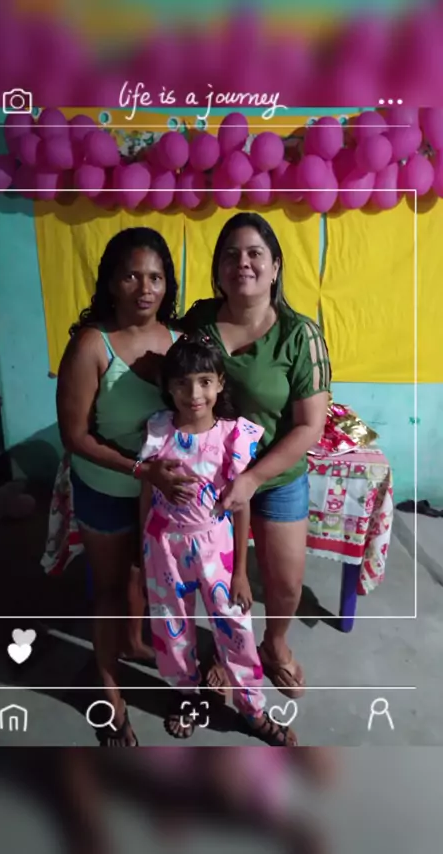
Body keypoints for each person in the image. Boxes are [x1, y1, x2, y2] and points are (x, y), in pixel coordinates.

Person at [56, 227, 198, 747]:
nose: (145, 288)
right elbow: (75, 436)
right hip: (108, 490)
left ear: (167, 285)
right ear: (112, 282)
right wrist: (140, 471)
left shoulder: (180, 343)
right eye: (132, 276)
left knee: (156, 582)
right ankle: (109, 689)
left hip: (163, 496)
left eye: (156, 277)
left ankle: (140, 648)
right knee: (111, 588)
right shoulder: (91, 345)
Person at [181, 211, 331, 699]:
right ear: (218, 268)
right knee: (218, 578)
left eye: (254, 253)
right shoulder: (198, 324)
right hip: (209, 479)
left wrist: (252, 478)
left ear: (275, 266)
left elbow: (310, 425)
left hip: (275, 479)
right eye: (230, 254)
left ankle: (274, 644)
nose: (241, 263)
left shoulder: (300, 335)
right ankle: (229, 650)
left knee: (284, 583)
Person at [138, 334, 298, 746]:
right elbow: (147, 492)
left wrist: (241, 572)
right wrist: (144, 549)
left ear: (220, 383)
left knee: (236, 628)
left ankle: (252, 709)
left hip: (216, 548)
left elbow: (240, 506)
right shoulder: (159, 430)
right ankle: (187, 696)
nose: (194, 394)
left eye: (205, 381)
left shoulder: (232, 436)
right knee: (172, 627)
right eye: (183, 383)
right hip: (164, 546)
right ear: (168, 386)